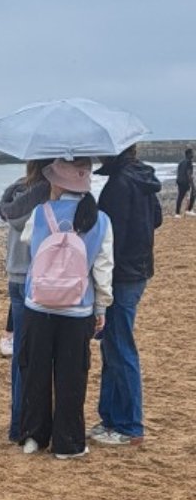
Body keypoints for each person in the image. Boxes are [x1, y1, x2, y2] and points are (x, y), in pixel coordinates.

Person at [18, 158, 113, 460]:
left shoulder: (40, 212)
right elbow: (103, 269)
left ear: (59, 183)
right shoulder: (101, 219)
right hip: (77, 307)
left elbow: (27, 245)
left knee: (36, 371)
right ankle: (68, 442)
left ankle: (34, 435)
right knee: (72, 375)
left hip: (39, 304)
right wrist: (101, 306)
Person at [91, 145, 162, 446]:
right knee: (112, 346)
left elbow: (109, 240)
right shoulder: (142, 178)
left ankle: (130, 425)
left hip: (123, 274)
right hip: (139, 269)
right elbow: (156, 218)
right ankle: (110, 417)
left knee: (119, 347)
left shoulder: (119, 185)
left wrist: (98, 280)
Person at [0, 161, 50, 441]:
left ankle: (17, 422)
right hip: (34, 278)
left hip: (14, 275)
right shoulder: (45, 195)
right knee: (33, 353)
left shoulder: (15, 193)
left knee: (21, 353)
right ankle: (22, 424)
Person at [176, 147, 195, 216]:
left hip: (180, 181)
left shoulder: (181, 162)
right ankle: (189, 210)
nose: (193, 154)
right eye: (192, 153)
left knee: (180, 197)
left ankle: (177, 213)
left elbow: (178, 172)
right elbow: (189, 173)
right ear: (188, 154)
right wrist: (192, 184)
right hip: (186, 182)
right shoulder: (189, 162)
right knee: (193, 194)